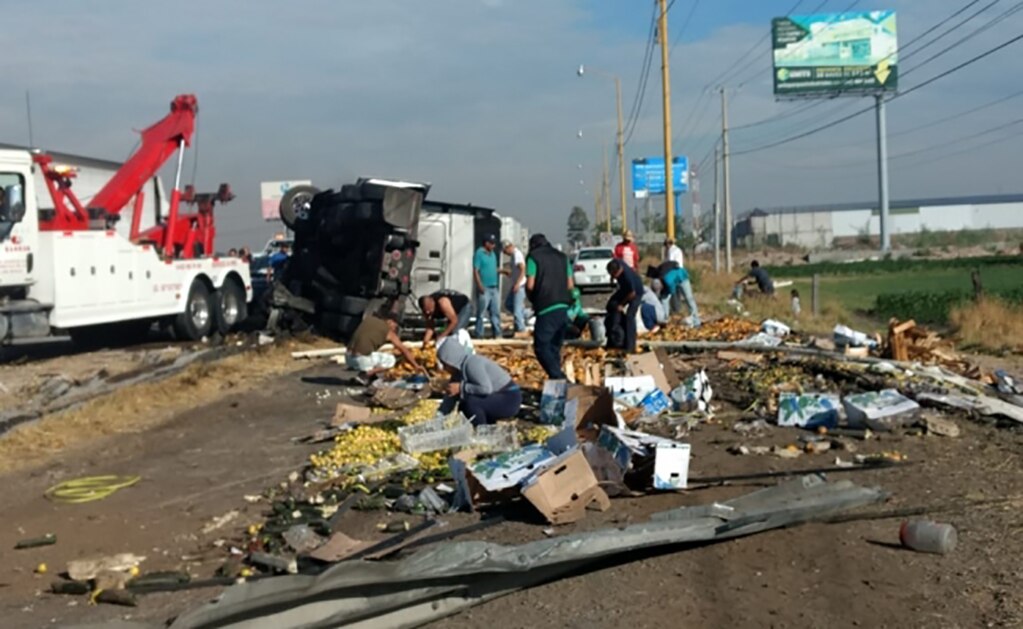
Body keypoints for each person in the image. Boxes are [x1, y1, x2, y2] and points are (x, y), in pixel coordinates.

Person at [437, 337, 521, 426]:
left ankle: (482, 431)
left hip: (509, 398)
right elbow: (449, 400)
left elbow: (485, 389)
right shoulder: (457, 373)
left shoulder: (472, 364)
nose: (444, 368)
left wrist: (461, 388)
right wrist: (438, 419)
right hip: (495, 397)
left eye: (445, 364)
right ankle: (488, 426)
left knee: (471, 402)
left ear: (451, 360)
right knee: (464, 405)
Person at [525, 233, 573, 379]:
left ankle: (559, 377)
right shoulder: (562, 257)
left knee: (541, 347)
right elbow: (570, 285)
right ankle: (557, 383)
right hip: (563, 306)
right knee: (554, 347)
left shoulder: (533, 257)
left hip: (546, 307)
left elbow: (530, 285)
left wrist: (532, 298)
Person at [346, 311, 422, 382]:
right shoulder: (388, 332)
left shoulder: (369, 319)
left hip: (348, 357)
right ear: (390, 321)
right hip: (361, 360)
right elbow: (404, 349)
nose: (395, 328)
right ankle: (364, 375)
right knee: (391, 360)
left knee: (374, 355)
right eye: (395, 325)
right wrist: (416, 365)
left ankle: (369, 374)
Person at [605, 258, 644, 353]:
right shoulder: (617, 263)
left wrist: (621, 304)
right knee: (611, 305)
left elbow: (632, 293)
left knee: (630, 316)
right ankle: (615, 338)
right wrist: (611, 278)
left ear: (618, 271)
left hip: (636, 293)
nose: (614, 277)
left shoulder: (627, 276)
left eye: (614, 275)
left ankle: (630, 346)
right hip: (624, 289)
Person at [473, 234, 502, 339]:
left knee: (495, 312)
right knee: (481, 313)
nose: (494, 245)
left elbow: (493, 268)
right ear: (486, 243)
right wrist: (479, 284)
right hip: (485, 287)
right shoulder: (479, 253)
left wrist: (503, 271)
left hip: (494, 287)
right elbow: (476, 270)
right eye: (492, 243)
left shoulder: (493, 254)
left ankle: (497, 333)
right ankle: (479, 334)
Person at [499, 239, 527, 335]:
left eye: (504, 251)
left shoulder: (517, 255)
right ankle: (525, 314)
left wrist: (518, 284)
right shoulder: (513, 256)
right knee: (508, 304)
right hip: (516, 284)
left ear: (508, 247)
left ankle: (521, 329)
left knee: (517, 310)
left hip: (519, 285)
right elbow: (514, 271)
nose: (505, 253)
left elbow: (522, 269)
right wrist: (503, 271)